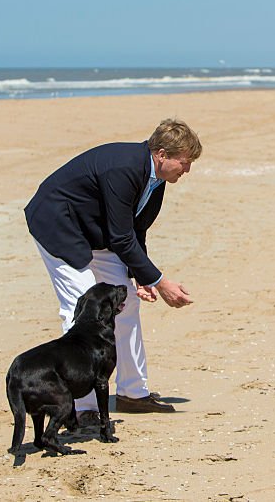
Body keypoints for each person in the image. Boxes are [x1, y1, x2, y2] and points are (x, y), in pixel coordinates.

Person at [25, 118, 200, 416]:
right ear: (161, 154)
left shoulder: (156, 177)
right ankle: (82, 407)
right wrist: (159, 281)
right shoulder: (124, 168)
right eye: (184, 162)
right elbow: (121, 236)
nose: (187, 169)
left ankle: (133, 393)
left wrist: (140, 277)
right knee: (82, 306)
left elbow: (136, 228)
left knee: (126, 301)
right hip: (59, 224)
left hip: (97, 231)